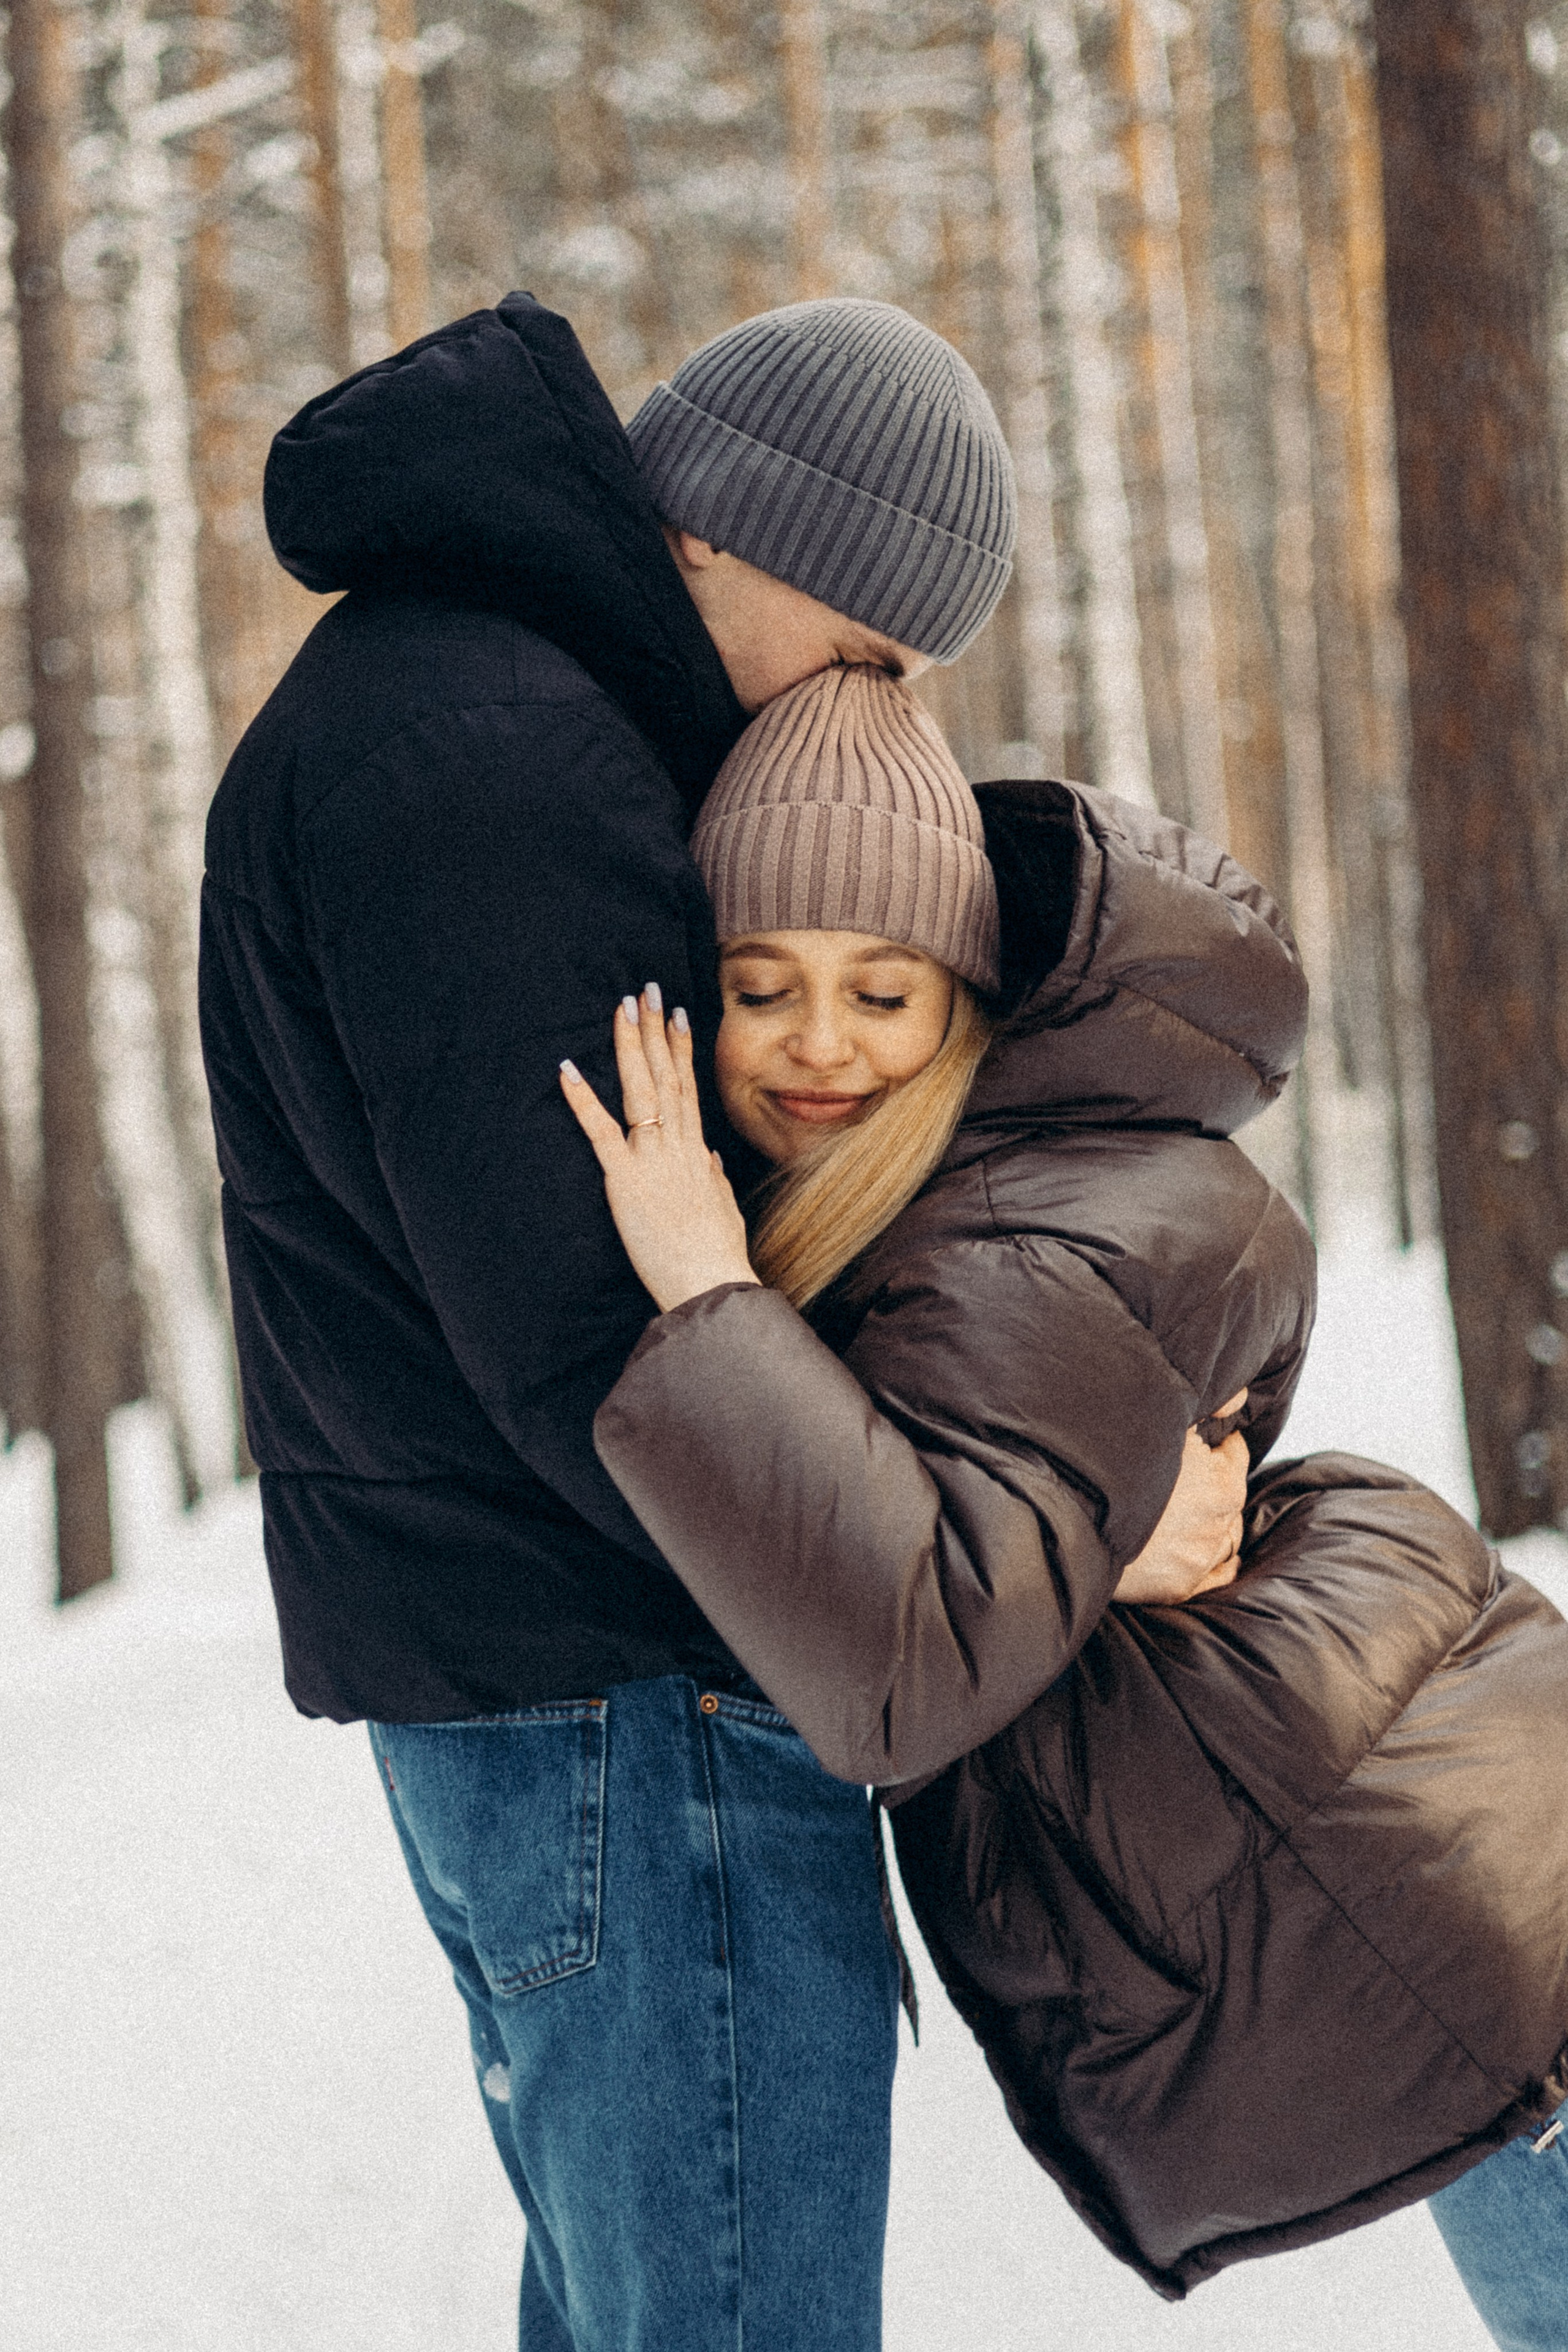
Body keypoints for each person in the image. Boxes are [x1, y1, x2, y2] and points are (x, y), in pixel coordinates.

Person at [200, 293, 1247, 2351]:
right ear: (741, 540)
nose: (865, 707)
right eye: (867, 649)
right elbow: (617, 1366)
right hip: (634, 1710)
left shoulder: (470, 705)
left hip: (576, 1706)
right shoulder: (498, 763)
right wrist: (1057, 1540)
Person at [564, 662, 1568, 2343]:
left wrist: (699, 1290)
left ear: (966, 1009)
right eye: (765, 987)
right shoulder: (980, 1185)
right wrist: (1086, 1544)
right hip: (1434, 1867)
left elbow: (908, 1659)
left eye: (883, 995)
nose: (821, 1043)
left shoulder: (1001, 1243)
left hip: (1436, 1906)